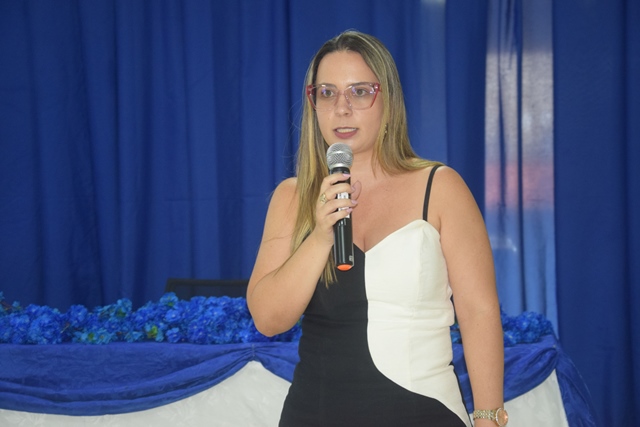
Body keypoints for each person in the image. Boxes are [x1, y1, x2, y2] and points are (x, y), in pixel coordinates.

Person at [247, 30, 506, 427]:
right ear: (313, 103)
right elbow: (268, 320)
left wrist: (488, 418)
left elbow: (478, 311)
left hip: (425, 413)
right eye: (327, 93)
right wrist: (320, 236)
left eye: (360, 92)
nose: (342, 108)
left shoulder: (440, 187)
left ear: (388, 100)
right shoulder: (292, 197)